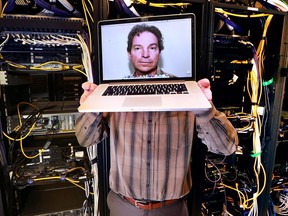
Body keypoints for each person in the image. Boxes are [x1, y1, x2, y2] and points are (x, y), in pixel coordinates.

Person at [75, 78, 239, 216]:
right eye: (138, 48)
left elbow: (227, 147)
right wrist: (93, 108)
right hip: (123, 206)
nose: (145, 55)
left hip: (172, 209)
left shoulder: (189, 100)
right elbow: (85, 140)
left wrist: (205, 110)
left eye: (152, 47)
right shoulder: (113, 99)